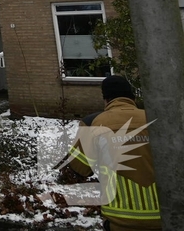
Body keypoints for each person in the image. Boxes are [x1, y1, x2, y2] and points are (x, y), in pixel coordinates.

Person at [58, 75, 161, 230]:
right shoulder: (156, 120)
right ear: (132, 97)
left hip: (119, 220)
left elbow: (79, 168)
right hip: (164, 217)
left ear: (105, 99)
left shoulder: (94, 123)